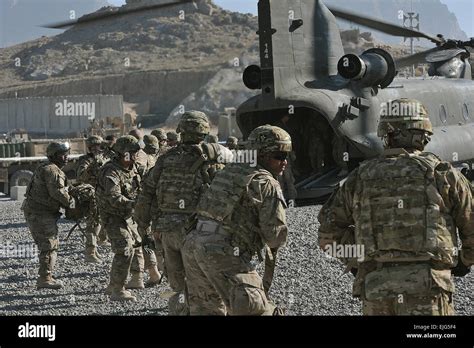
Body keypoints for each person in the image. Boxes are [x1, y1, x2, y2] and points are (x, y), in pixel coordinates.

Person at [318, 98, 474, 315]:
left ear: (387, 134)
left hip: (377, 291)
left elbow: (328, 235)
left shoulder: (359, 178)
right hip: (430, 290)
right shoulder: (444, 175)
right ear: (424, 134)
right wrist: (462, 262)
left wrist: (357, 259)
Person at [182, 125, 291, 315]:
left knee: (207, 310)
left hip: (194, 245)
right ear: (262, 155)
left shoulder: (230, 171)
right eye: (279, 156)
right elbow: (274, 237)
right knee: (254, 308)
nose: (284, 162)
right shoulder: (266, 183)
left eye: (286, 156)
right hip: (222, 252)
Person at [135, 111, 224, 315]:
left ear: (181, 131)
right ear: (203, 132)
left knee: (177, 285)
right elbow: (223, 195)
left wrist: (142, 225)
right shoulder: (209, 157)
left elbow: (147, 191)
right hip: (196, 230)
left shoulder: (166, 158)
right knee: (204, 283)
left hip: (167, 231)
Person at [96, 135, 145, 301]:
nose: (135, 156)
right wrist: (136, 204)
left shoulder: (133, 168)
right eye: (131, 153)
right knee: (124, 249)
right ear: (122, 153)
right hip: (113, 217)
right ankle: (118, 290)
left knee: (135, 247)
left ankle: (114, 285)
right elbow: (114, 198)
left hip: (127, 216)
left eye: (136, 153)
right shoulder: (110, 171)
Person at [22, 142, 72, 289]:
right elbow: (58, 193)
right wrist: (73, 204)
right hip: (41, 213)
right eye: (63, 155)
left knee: (49, 244)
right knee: (48, 245)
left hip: (39, 212)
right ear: (54, 156)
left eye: (67, 154)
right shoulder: (52, 170)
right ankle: (45, 279)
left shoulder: (46, 166)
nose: (66, 157)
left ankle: (46, 276)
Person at [76, 135, 108, 263]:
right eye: (93, 147)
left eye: (98, 146)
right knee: (92, 224)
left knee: (98, 223)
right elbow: (80, 175)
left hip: (102, 194)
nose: (96, 149)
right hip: (92, 195)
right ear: (89, 148)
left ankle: (94, 250)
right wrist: (92, 170)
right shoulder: (86, 160)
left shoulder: (103, 158)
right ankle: (89, 253)